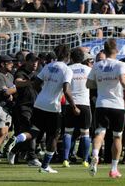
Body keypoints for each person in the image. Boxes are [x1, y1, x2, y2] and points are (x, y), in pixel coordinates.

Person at [8, 45, 80, 173]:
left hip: (39, 103)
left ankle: (17, 138)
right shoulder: (66, 70)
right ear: (68, 56)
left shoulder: (48, 66)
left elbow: (36, 84)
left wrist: (43, 95)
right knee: (53, 136)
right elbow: (66, 90)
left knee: (34, 131)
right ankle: (45, 165)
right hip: (53, 107)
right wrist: (74, 106)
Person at [86, 38, 125, 178]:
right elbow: (123, 81)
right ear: (116, 50)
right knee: (117, 137)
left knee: (100, 132)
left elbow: (88, 84)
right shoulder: (120, 64)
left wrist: (102, 83)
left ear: (104, 50)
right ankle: (114, 169)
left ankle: (95, 155)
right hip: (117, 105)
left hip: (101, 104)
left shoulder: (97, 66)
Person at [7, 53, 41, 167]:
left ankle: (13, 151)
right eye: (32, 61)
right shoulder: (21, 72)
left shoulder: (38, 73)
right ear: (27, 62)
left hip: (36, 106)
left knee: (29, 133)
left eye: (36, 61)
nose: (35, 63)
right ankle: (32, 157)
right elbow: (17, 82)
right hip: (23, 106)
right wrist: (30, 82)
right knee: (29, 129)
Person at [62, 48, 92, 168]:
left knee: (68, 132)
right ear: (83, 58)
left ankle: (65, 159)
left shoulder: (68, 69)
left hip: (70, 104)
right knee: (85, 133)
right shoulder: (88, 69)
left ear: (71, 58)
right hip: (84, 104)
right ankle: (85, 160)